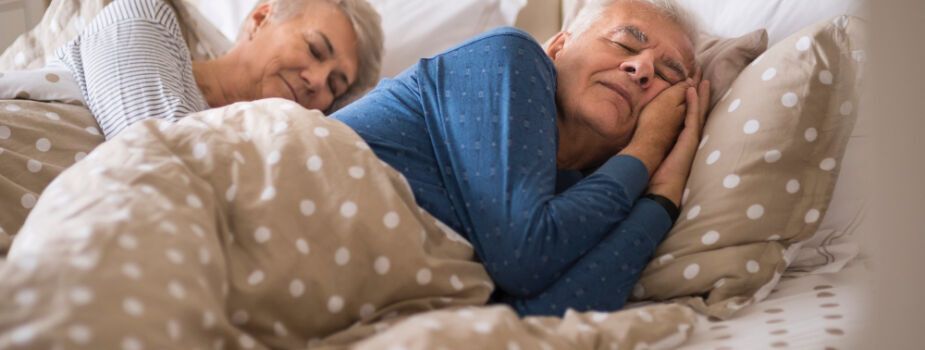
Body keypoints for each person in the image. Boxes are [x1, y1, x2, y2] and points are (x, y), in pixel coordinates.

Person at [331, 0, 711, 316]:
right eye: (625, 45)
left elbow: (541, 320)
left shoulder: (586, 202)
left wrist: (663, 196)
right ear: (559, 46)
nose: (642, 68)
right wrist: (646, 149)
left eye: (667, 74)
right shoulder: (509, 56)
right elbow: (524, 256)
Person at [55, 0, 383, 139]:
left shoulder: (270, 149)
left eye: (335, 86)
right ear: (260, 19)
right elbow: (151, 152)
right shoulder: (145, 19)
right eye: (314, 49)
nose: (316, 81)